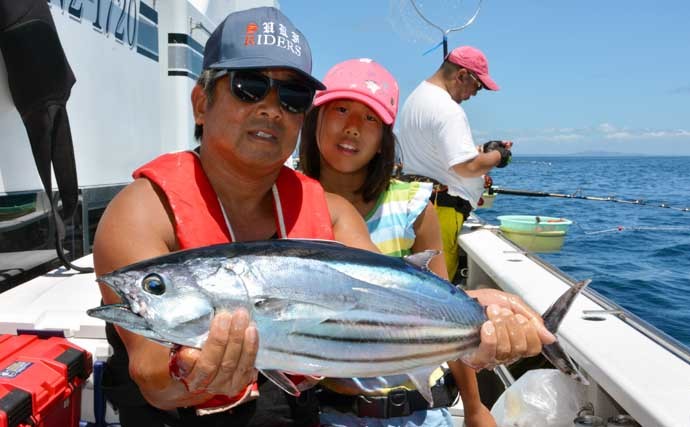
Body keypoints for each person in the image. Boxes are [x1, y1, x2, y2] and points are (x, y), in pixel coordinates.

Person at [93, 8, 554, 426]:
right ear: (201, 102)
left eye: (292, 97)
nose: (270, 108)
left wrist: (478, 323)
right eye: (248, 86)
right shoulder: (141, 212)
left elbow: (388, 303)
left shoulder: (331, 213)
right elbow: (152, 375)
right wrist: (187, 375)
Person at [299, 58, 496, 427]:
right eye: (341, 109)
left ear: (384, 139)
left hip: (420, 413)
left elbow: (445, 309)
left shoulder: (412, 207)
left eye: (370, 118)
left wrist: (474, 407)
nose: (353, 128)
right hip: (328, 414)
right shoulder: (289, 204)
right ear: (316, 120)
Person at [398, 46, 513, 281]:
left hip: (418, 203)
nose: (476, 93)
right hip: (443, 210)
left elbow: (436, 153)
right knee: (439, 284)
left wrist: (482, 150)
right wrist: (499, 157)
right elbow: (467, 167)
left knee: (421, 280)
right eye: (477, 86)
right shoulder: (448, 110)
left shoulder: (417, 98)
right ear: (461, 75)